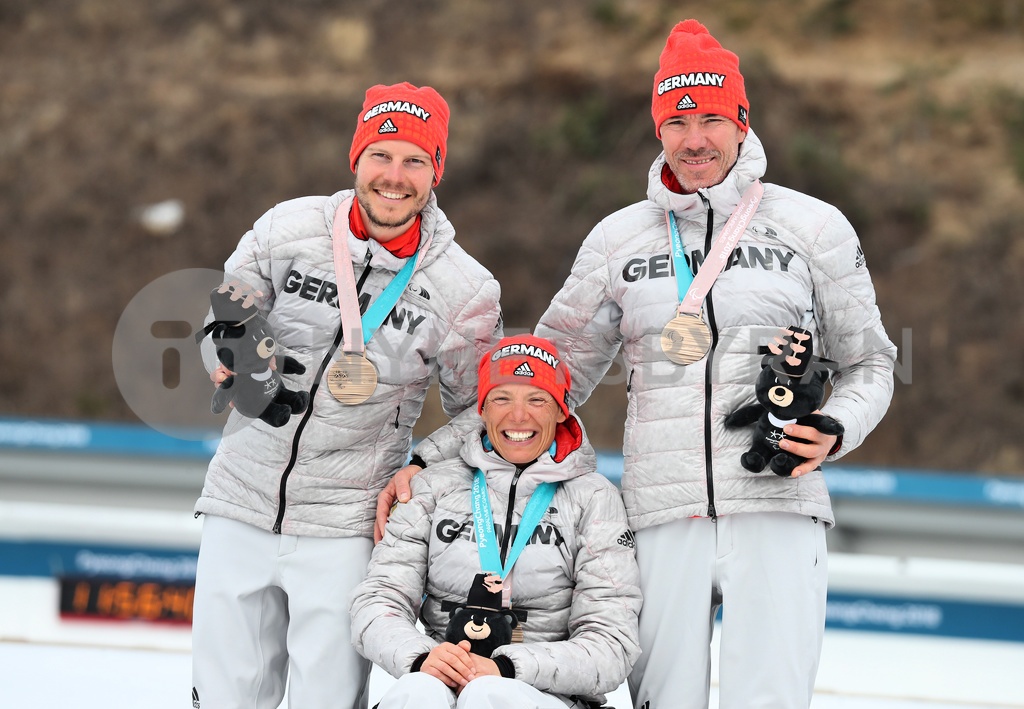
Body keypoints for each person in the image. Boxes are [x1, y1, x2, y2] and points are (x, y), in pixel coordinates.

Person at [534, 19, 896, 709]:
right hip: (660, 513)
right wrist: (437, 461)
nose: (694, 138)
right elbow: (547, 379)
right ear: (657, 129)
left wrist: (836, 428)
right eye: (676, 121)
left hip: (779, 506)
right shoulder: (617, 238)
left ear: (741, 122)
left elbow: (872, 363)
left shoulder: (813, 225)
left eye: (709, 119)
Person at [191, 82, 503, 709]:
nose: (395, 176)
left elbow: (479, 412)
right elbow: (227, 306)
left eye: (415, 160)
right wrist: (229, 353)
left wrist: (420, 464)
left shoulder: (465, 287)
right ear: (355, 158)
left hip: (348, 525)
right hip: (240, 501)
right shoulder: (289, 226)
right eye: (381, 155)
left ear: (435, 170)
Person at [351, 334, 642, 709]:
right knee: (417, 692)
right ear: (482, 410)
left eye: (537, 399)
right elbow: (379, 598)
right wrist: (422, 656)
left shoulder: (594, 498)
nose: (518, 416)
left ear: (560, 411)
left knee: (490, 695)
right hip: (442, 679)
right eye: (502, 398)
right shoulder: (432, 487)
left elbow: (610, 640)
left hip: (545, 693)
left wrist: (506, 668)